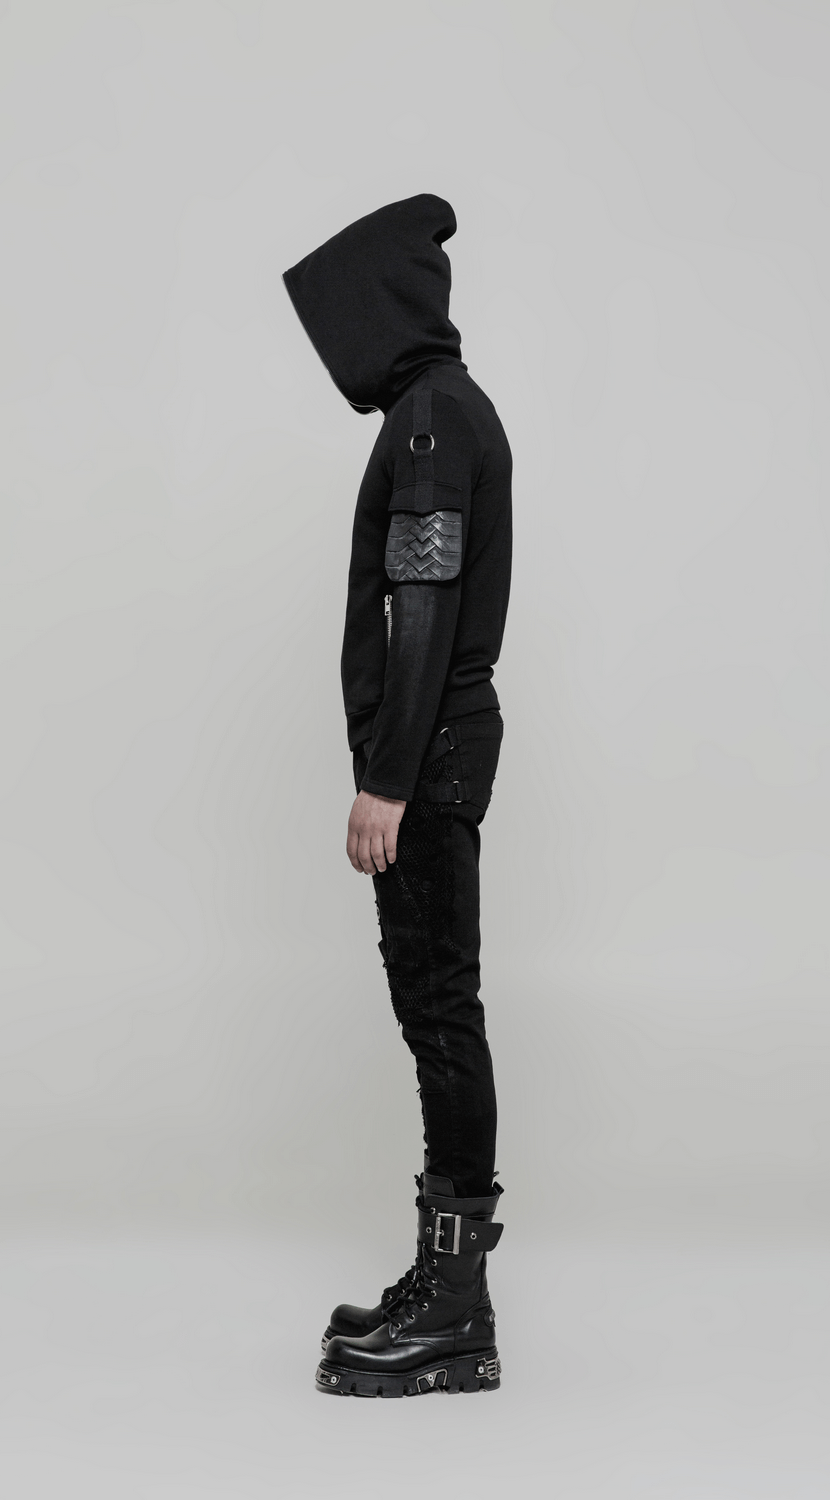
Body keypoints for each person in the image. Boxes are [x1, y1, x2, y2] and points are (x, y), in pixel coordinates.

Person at [282, 194, 512, 1399]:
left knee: (438, 1011)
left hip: (424, 765)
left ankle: (454, 1311)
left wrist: (385, 780)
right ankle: (444, 1287)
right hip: (438, 756)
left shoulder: (428, 420)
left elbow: (420, 605)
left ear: (377, 308)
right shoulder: (444, 410)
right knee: (438, 1008)